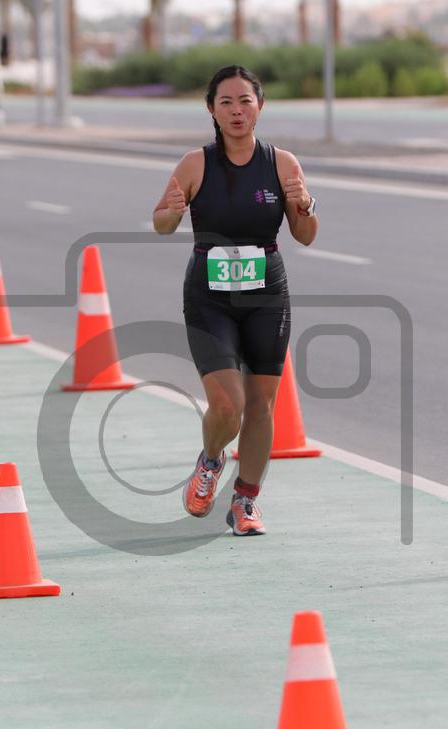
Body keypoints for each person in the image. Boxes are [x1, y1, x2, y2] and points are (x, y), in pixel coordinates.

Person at [153, 65, 318, 536]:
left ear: (260, 106)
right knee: (229, 404)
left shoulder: (282, 163)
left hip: (266, 294)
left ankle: (245, 502)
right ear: (211, 109)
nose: (237, 110)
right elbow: (161, 223)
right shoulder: (195, 164)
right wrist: (171, 212)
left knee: (261, 405)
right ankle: (210, 462)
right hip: (210, 297)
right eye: (225, 102)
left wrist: (305, 207)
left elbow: (305, 234)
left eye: (245, 100)